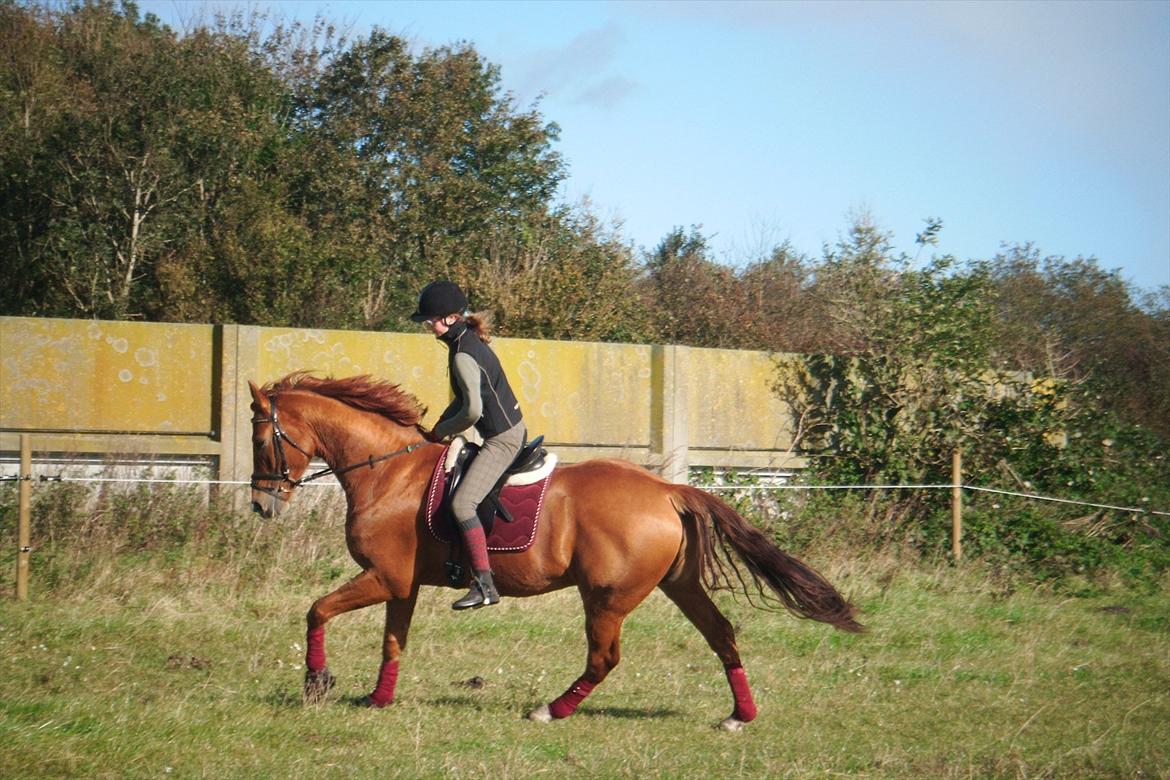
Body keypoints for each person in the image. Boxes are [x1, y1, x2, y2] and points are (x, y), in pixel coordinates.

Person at [411, 280, 525, 610]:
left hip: (503, 440)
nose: (426, 325)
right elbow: (462, 401)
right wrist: (435, 432)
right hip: (503, 432)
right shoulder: (466, 341)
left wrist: (444, 430)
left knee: (462, 505)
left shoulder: (462, 353)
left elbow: (472, 410)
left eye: (429, 319)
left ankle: (485, 585)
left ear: (448, 318)